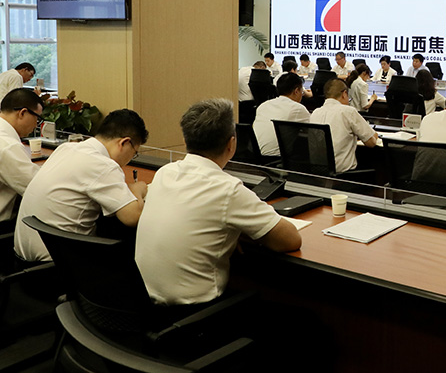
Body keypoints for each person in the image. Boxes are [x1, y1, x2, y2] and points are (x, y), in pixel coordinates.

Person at [136, 98, 301, 306]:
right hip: (197, 314)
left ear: (186, 140)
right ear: (231, 144)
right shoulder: (228, 189)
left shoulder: (164, 173)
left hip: (144, 305)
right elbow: (291, 240)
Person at [14, 109, 149, 262]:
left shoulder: (67, 148)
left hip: (21, 260)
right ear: (124, 143)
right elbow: (132, 217)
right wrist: (137, 189)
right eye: (134, 153)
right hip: (61, 264)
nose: (131, 159)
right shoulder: (103, 164)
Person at [310, 79, 378, 174]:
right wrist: (374, 135)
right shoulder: (348, 111)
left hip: (318, 171)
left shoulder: (315, 113)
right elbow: (371, 143)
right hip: (343, 173)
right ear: (344, 94)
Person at [0, 89, 42, 221]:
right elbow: (37, 187)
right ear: (23, 113)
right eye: (37, 118)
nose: (36, 125)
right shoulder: (8, 146)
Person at [252, 73, 311, 157]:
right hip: (276, 159)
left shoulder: (263, 105)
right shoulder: (297, 108)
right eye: (302, 91)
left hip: (253, 156)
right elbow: (314, 131)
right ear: (296, 91)